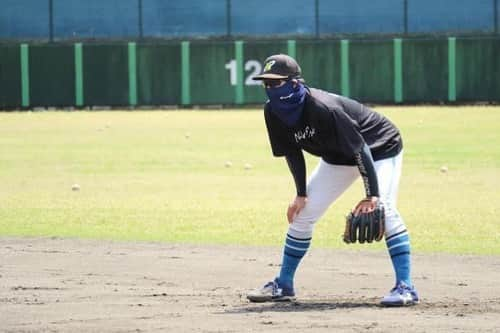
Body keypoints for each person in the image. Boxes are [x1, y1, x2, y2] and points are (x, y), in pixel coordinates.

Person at [246, 54, 419, 306]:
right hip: (337, 155)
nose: (270, 89)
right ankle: (283, 284)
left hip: (379, 147)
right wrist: (300, 194)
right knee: (302, 215)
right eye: (267, 84)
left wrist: (372, 195)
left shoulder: (323, 108)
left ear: (295, 83)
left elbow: (361, 150)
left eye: (276, 82)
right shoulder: (273, 111)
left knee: (385, 210)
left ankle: (406, 287)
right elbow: (292, 151)